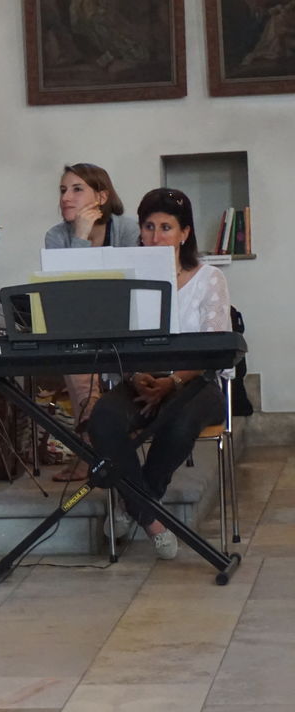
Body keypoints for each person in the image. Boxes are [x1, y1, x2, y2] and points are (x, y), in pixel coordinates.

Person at [87, 188, 231, 560]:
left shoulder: (209, 277)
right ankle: (151, 519)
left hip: (196, 383)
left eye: (166, 227)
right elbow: (118, 340)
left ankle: (132, 505)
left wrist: (174, 381)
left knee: (178, 422)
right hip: (142, 380)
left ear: (185, 233)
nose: (155, 237)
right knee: (103, 418)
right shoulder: (127, 279)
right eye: (148, 227)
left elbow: (215, 349)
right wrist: (137, 376)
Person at [45, 162, 140, 481]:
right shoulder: (57, 236)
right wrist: (81, 237)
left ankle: (100, 450)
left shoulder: (127, 230)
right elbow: (66, 293)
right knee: (78, 363)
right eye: (62, 190)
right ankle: (94, 450)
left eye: (77, 189)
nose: (65, 197)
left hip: (125, 324)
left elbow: (134, 287)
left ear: (101, 197)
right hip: (79, 326)